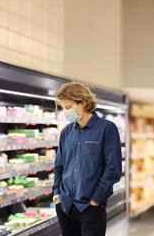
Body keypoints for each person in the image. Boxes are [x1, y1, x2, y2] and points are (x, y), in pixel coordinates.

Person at [52, 82, 122, 236]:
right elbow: (59, 166)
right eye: (63, 108)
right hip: (65, 206)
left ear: (83, 103)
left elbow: (113, 169)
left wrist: (96, 200)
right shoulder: (66, 132)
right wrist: (57, 194)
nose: (65, 112)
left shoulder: (107, 128)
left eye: (68, 107)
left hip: (91, 208)